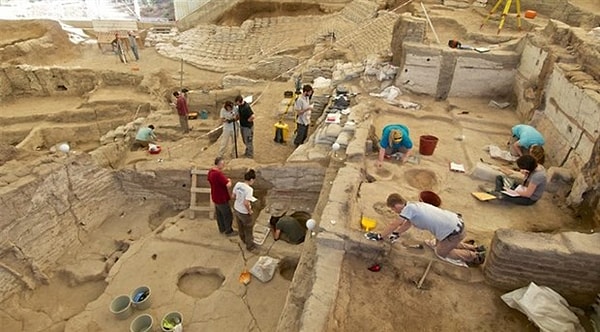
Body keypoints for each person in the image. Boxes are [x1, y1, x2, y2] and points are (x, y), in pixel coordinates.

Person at [366, 193, 485, 266]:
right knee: (438, 243)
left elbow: (394, 224)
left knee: (441, 252)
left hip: (454, 233)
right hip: (456, 225)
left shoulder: (407, 210)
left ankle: (474, 256)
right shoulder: (414, 205)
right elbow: (408, 223)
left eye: (393, 209)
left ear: (397, 205)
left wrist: (379, 236)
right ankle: (474, 247)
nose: (395, 212)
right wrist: (397, 233)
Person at [207, 157, 237, 236]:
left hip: (215, 196)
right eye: (223, 164)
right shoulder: (218, 174)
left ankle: (222, 229)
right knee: (227, 214)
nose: (223, 166)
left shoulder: (210, 172)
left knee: (219, 214)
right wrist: (229, 180)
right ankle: (229, 231)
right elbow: (228, 185)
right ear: (219, 164)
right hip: (221, 197)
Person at [232, 169, 258, 251]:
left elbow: (233, 196)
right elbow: (246, 203)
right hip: (244, 212)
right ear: (251, 180)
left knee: (240, 226)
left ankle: (243, 239)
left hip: (236, 208)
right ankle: (250, 246)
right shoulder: (249, 189)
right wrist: (249, 211)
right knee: (248, 228)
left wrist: (239, 198)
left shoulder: (238, 184)